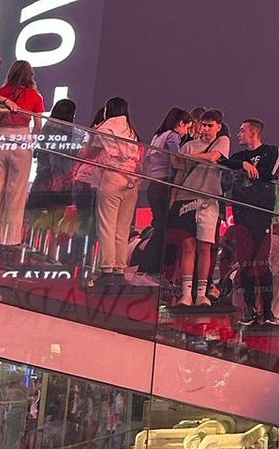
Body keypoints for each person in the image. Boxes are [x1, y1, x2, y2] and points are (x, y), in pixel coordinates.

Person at [170, 110, 231, 307]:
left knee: (205, 246)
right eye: (203, 125)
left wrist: (190, 156)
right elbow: (179, 174)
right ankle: (186, 294)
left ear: (218, 127)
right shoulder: (188, 145)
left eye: (210, 125)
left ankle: (202, 293)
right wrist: (173, 199)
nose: (205, 129)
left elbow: (214, 157)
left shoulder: (222, 142)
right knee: (188, 246)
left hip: (209, 200)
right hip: (186, 197)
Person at [0, 61, 46, 248]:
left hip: (1, 136)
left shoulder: (0, 93)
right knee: (16, 193)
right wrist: (31, 139)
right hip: (22, 138)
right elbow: (39, 126)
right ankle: (9, 240)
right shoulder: (35, 96)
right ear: (30, 76)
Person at [224, 120, 279, 324]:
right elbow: (226, 162)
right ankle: (249, 308)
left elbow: (268, 173)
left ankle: (267, 311)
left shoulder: (271, 151)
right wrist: (243, 165)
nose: (239, 135)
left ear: (254, 133)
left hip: (261, 213)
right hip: (242, 214)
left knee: (263, 263)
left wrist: (251, 169)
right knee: (246, 262)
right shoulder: (239, 156)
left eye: (242, 131)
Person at [88, 98, 143, 289]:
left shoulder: (105, 127)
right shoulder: (131, 131)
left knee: (106, 226)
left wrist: (92, 134)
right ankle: (120, 270)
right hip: (132, 180)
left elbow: (88, 153)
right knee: (123, 228)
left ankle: (107, 270)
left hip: (112, 177)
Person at [134, 107, 191, 279]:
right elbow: (177, 157)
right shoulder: (172, 136)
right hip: (164, 184)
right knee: (163, 229)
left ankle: (146, 267)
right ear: (180, 123)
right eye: (187, 128)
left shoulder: (157, 136)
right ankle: (150, 268)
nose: (186, 133)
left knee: (158, 226)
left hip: (153, 185)